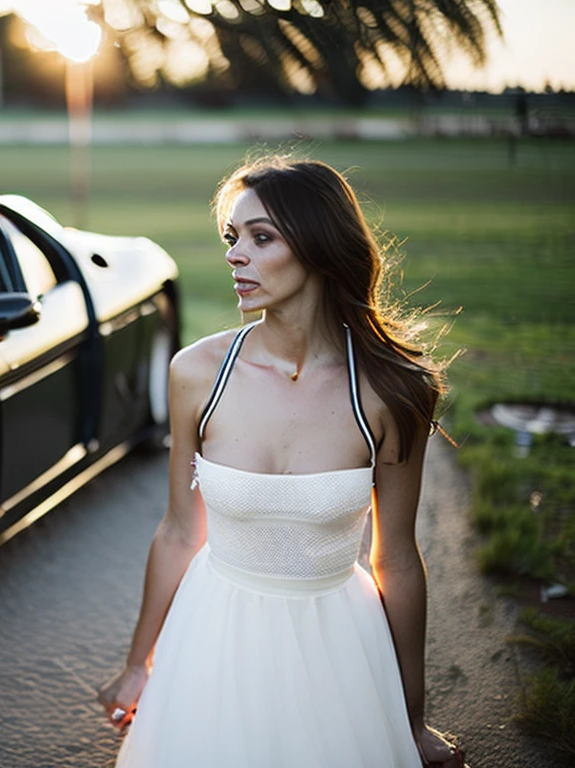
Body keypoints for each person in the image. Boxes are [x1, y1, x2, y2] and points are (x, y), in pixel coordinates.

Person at [98, 156, 466, 768]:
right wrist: (138, 666)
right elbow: (179, 531)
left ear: (320, 246)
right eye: (232, 238)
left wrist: (412, 719)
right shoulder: (196, 374)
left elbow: (396, 559)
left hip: (340, 646)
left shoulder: (393, 389)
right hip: (211, 637)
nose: (235, 255)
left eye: (260, 237)